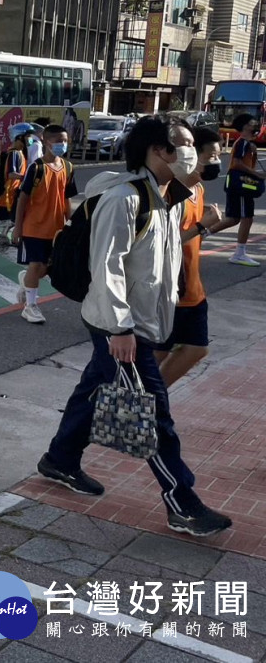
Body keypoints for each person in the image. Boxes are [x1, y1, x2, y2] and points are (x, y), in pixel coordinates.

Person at [37, 117, 233, 538]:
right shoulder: (124, 198)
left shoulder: (165, 196)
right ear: (156, 150)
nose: (190, 152)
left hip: (140, 320)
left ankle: (60, 458)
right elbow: (106, 268)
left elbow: (159, 254)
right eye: (181, 144)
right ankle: (183, 502)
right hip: (120, 325)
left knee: (93, 390)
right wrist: (121, 329)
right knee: (154, 412)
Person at [156, 124, 226, 387]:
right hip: (174, 288)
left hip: (192, 286)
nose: (216, 162)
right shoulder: (174, 191)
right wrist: (202, 225)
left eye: (218, 155)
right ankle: (146, 398)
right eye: (211, 156)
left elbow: (192, 236)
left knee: (195, 348)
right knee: (161, 351)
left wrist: (207, 225)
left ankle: (149, 397)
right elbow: (164, 242)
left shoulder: (197, 189)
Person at [13, 124, 78, 325]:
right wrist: (17, 226)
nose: (62, 144)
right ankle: (30, 306)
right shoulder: (37, 168)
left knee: (47, 268)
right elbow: (23, 198)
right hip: (34, 226)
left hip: (56, 228)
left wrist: (71, 224)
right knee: (36, 264)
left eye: (65, 141)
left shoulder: (68, 167)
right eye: (58, 141)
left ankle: (27, 280)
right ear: (46, 142)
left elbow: (67, 198)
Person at [222, 112, 261, 266]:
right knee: (246, 218)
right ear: (245, 126)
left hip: (240, 182)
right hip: (241, 184)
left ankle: (202, 233)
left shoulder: (246, 143)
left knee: (234, 218)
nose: (255, 126)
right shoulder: (242, 143)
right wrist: (256, 174)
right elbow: (237, 163)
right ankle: (239, 253)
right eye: (253, 123)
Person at [0, 123, 33, 222]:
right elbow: (11, 174)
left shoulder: (21, 153)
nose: (30, 139)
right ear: (20, 137)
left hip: (14, 195)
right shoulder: (13, 153)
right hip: (7, 197)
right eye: (28, 136)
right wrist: (26, 178)